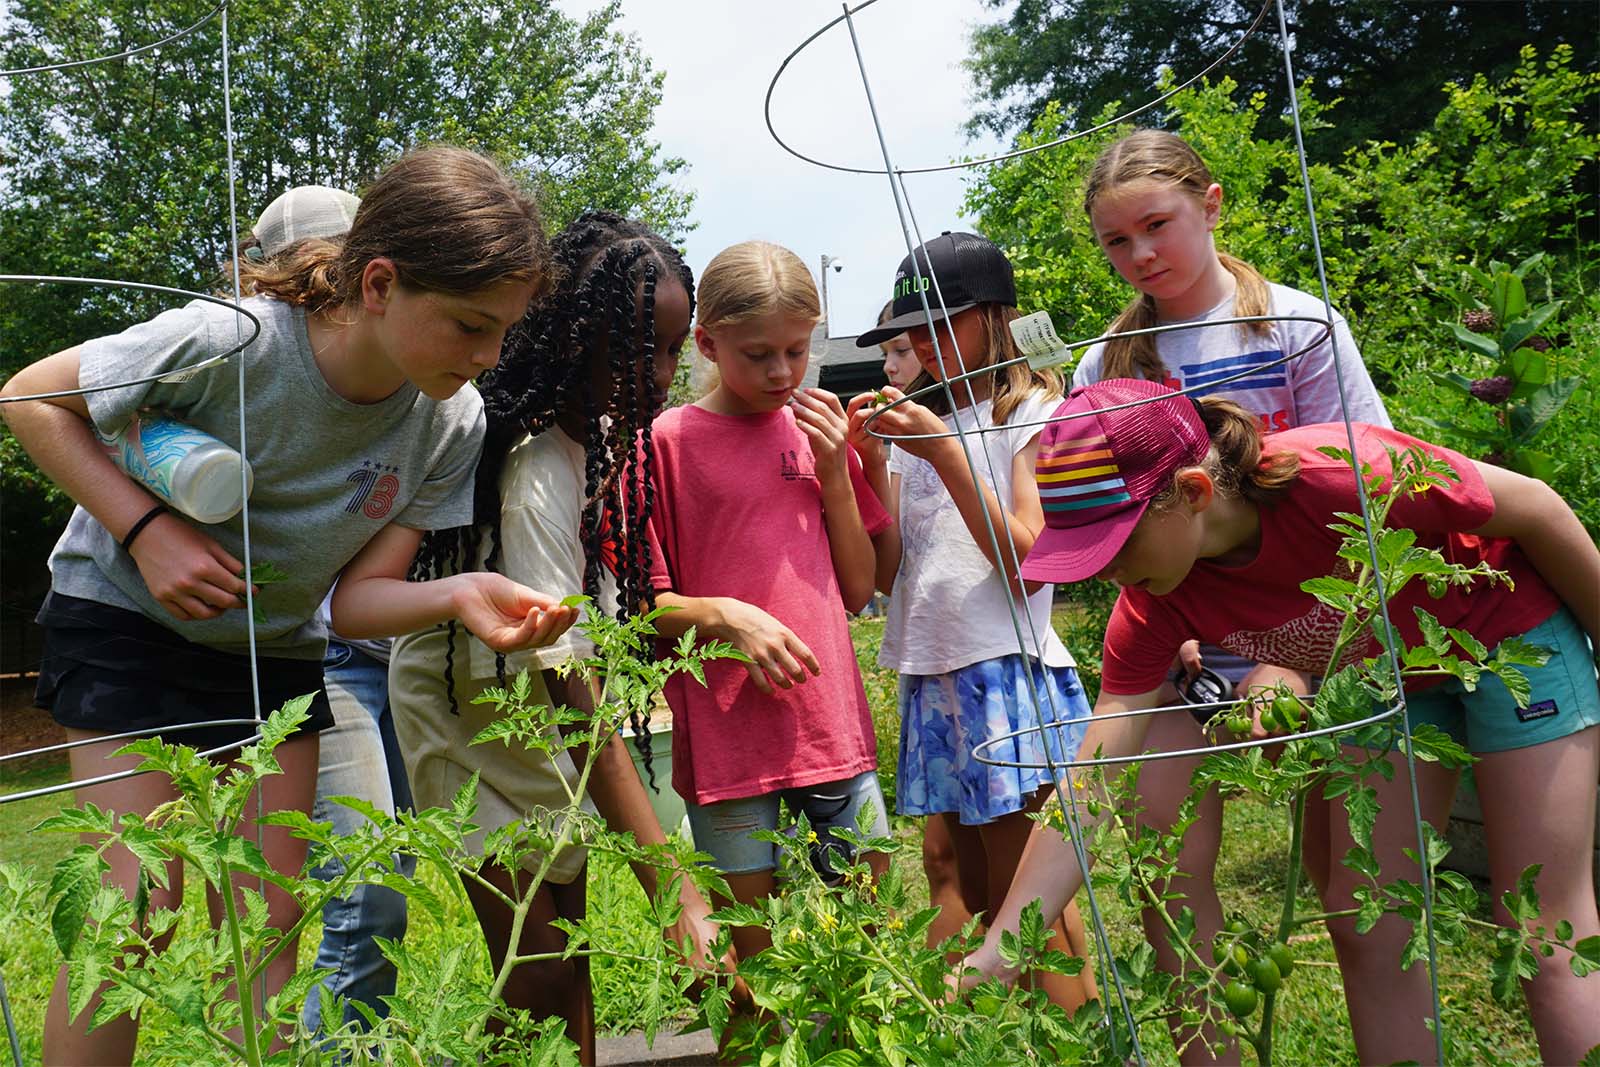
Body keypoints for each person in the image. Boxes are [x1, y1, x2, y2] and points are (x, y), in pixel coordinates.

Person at [2, 146, 580, 1066]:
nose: (488, 357)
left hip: (274, 646)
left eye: (503, 332)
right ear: (380, 283)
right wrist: (148, 528)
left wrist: (461, 592)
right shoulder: (235, 338)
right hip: (127, 623)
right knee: (135, 913)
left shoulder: (451, 418)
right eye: (472, 324)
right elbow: (31, 395)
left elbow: (353, 602)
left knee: (269, 924)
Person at [965, 378, 1600, 1066]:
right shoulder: (1155, 606)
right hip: (1392, 677)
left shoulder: (1336, 476)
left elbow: (1536, 507)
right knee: (1369, 918)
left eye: (1115, 544)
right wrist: (1004, 943)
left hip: (1510, 637)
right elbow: (1092, 777)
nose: (1108, 573)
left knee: (1543, 927)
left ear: (1194, 493)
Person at [1069, 127, 1394, 1059]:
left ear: (1210, 204)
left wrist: (1285, 655)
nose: (1140, 256)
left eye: (1157, 225)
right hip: (1180, 643)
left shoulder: (1295, 323)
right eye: (1116, 242)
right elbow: (1116, 532)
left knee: (1353, 888)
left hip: (1322, 630)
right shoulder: (1110, 365)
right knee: (1166, 860)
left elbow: (1366, 480)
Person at [387, 211, 731, 1061]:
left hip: (540, 733)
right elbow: (564, 684)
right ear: (576, 338)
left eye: (670, 352)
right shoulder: (538, 466)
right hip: (475, 726)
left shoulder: (609, 447)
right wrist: (671, 884)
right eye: (635, 351)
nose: (658, 377)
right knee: (534, 968)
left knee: (561, 960)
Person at [849, 232, 1097, 1013]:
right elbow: (887, 575)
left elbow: (1028, 557)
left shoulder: (1033, 412)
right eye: (910, 332)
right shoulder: (925, 424)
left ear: (994, 316)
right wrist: (857, 462)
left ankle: (1084, 1033)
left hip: (1004, 670)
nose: (921, 345)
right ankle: (972, 1029)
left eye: (940, 325)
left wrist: (947, 453)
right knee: (949, 868)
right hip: (933, 668)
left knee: (1026, 885)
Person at [644, 240, 894, 966]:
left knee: (873, 955)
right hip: (728, 739)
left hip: (830, 730)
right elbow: (646, 606)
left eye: (797, 349)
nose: (783, 371)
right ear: (707, 342)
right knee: (751, 962)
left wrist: (837, 474)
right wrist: (725, 614)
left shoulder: (818, 433)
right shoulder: (666, 442)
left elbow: (858, 588)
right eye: (758, 354)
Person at [240, 183, 417, 1036]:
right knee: (355, 888)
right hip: (306, 660)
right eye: (308, 266)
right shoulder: (248, 360)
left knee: (387, 882)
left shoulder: (417, 392)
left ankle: (346, 1045)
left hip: (386, 652)